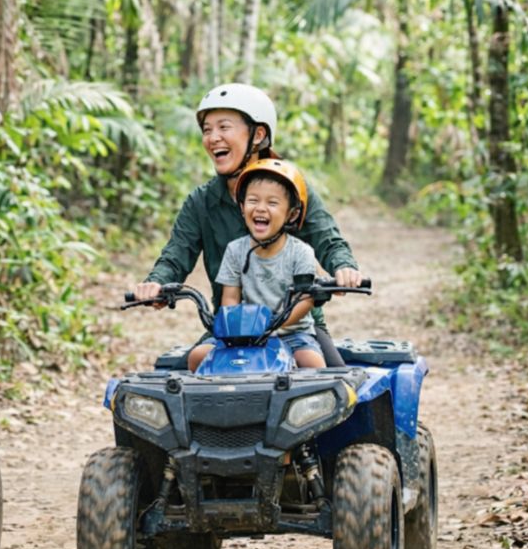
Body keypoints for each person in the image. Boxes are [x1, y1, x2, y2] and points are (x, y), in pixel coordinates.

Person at [131, 82, 364, 365]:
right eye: (207, 130)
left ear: (258, 134)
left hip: (296, 330)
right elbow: (176, 256)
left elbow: (327, 238)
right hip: (232, 332)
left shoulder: (291, 189)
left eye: (224, 127)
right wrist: (156, 284)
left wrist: (344, 267)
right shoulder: (201, 202)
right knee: (176, 388)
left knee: (336, 390)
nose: (213, 137)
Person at [188, 159, 324, 371]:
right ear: (242, 207)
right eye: (253, 200)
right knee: (198, 357)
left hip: (292, 333)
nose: (261, 208)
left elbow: (305, 300)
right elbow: (231, 297)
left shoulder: (301, 252)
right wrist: (238, 328)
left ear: (292, 213)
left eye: (272, 203)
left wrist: (274, 325)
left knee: (313, 364)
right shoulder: (235, 250)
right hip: (245, 334)